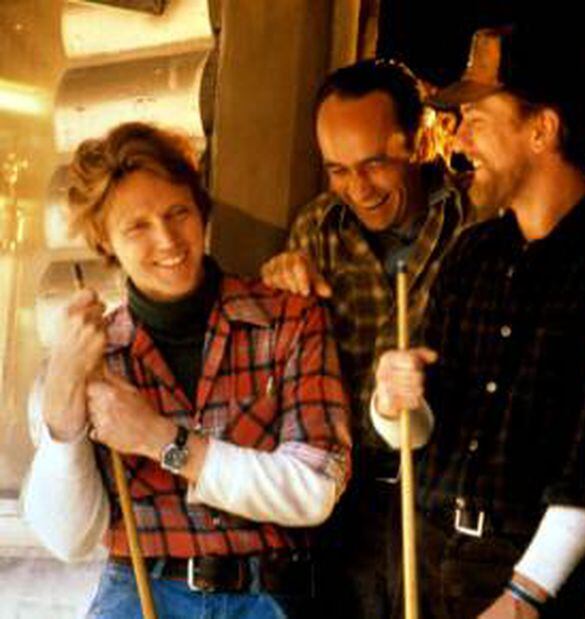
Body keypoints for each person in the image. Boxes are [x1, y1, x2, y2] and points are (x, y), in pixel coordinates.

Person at [22, 122, 351, 619]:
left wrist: (160, 439)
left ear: (201, 211)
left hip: (268, 594)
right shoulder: (93, 359)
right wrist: (63, 402)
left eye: (178, 213)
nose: (167, 240)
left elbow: (313, 490)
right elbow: (70, 540)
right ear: (105, 241)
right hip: (140, 591)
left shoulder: (289, 319)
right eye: (137, 227)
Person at [373, 26, 585, 619]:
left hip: (531, 578)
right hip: (426, 554)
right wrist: (392, 399)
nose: (459, 140)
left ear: (542, 129)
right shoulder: (472, 253)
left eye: (477, 119)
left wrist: (525, 595)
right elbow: (420, 430)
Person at [259, 59, 470, 618]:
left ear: (417, 141)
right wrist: (274, 298)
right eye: (338, 170)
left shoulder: (475, 219)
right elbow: (284, 382)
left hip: (441, 500)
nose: (358, 188)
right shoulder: (316, 229)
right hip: (343, 506)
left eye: (375, 164)